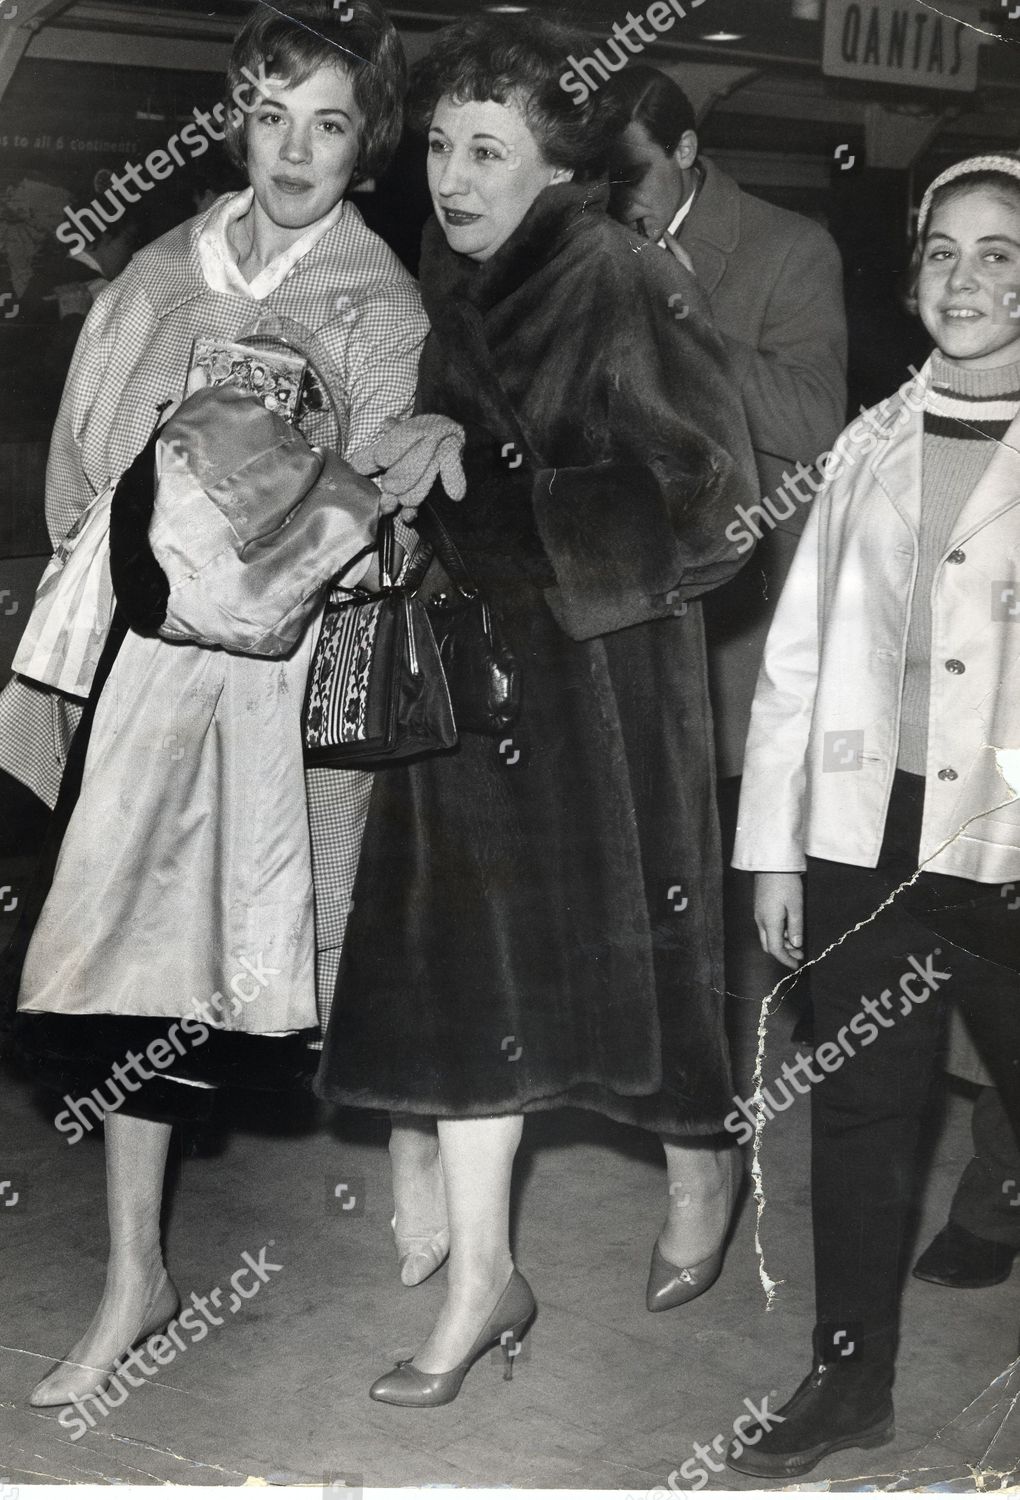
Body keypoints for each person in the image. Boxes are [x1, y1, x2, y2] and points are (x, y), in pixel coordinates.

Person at [0, 0, 445, 1409]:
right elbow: (83, 465)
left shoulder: (378, 301)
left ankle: (434, 1166)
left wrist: (273, 506)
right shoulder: (159, 270)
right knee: (127, 957)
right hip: (146, 671)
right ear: (240, 116)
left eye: (328, 125)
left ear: (363, 144)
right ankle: (137, 1274)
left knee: (285, 965)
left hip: (283, 686)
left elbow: (379, 517)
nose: (296, 151)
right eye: (272, 116)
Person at [316, 11, 759, 1407]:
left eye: (488, 147)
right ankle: (481, 1283)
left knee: (629, 994)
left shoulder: (622, 274)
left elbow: (725, 516)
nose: (453, 172)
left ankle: (703, 1155)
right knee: (469, 995)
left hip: (602, 708)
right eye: (441, 142)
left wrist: (507, 501)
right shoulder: (465, 279)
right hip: (471, 692)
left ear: (561, 164)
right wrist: (423, 463)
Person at [729, 154, 1020, 1479]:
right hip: (867, 837)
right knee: (858, 1120)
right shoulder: (863, 445)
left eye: (1001, 251)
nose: (966, 278)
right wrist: (775, 844)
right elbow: (797, 659)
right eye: (944, 252)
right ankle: (850, 1389)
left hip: (1008, 847)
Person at [605, 65, 847, 781]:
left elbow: (815, 424)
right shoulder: (587, 244)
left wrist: (694, 323)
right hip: (616, 586)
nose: (614, 196)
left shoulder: (792, 248)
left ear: (684, 150)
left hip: (738, 606)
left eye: (631, 172)